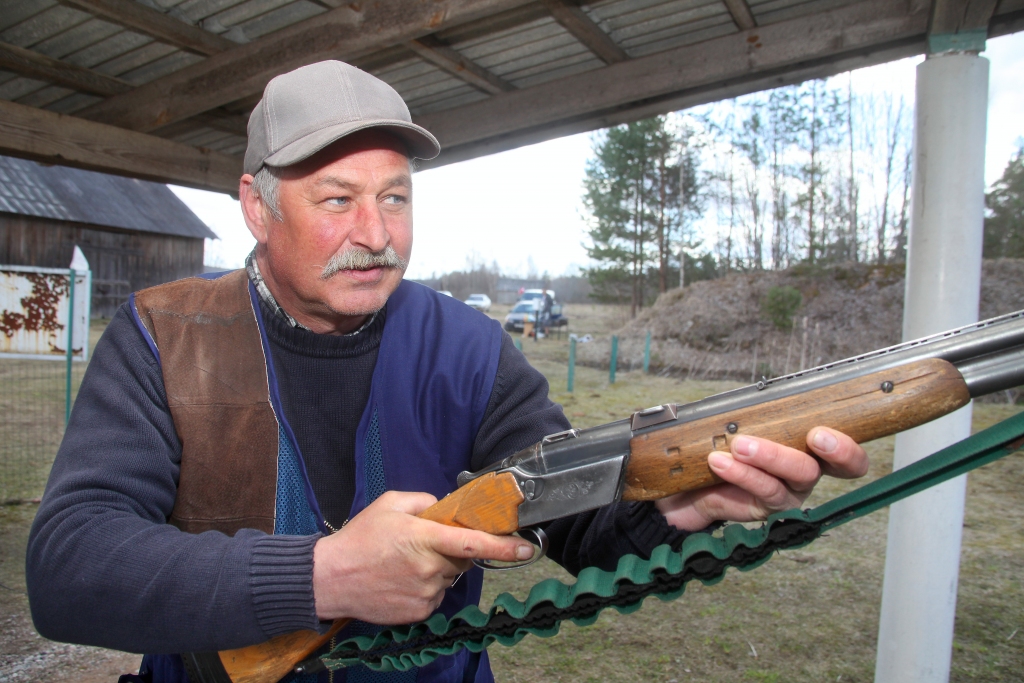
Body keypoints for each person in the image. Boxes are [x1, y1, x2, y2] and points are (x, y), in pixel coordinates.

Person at [26, 61, 867, 683]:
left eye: (395, 196)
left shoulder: (465, 344)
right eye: (336, 198)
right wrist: (324, 574)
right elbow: (67, 568)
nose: (377, 231)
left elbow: (576, 517)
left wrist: (681, 506)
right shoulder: (161, 334)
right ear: (256, 204)